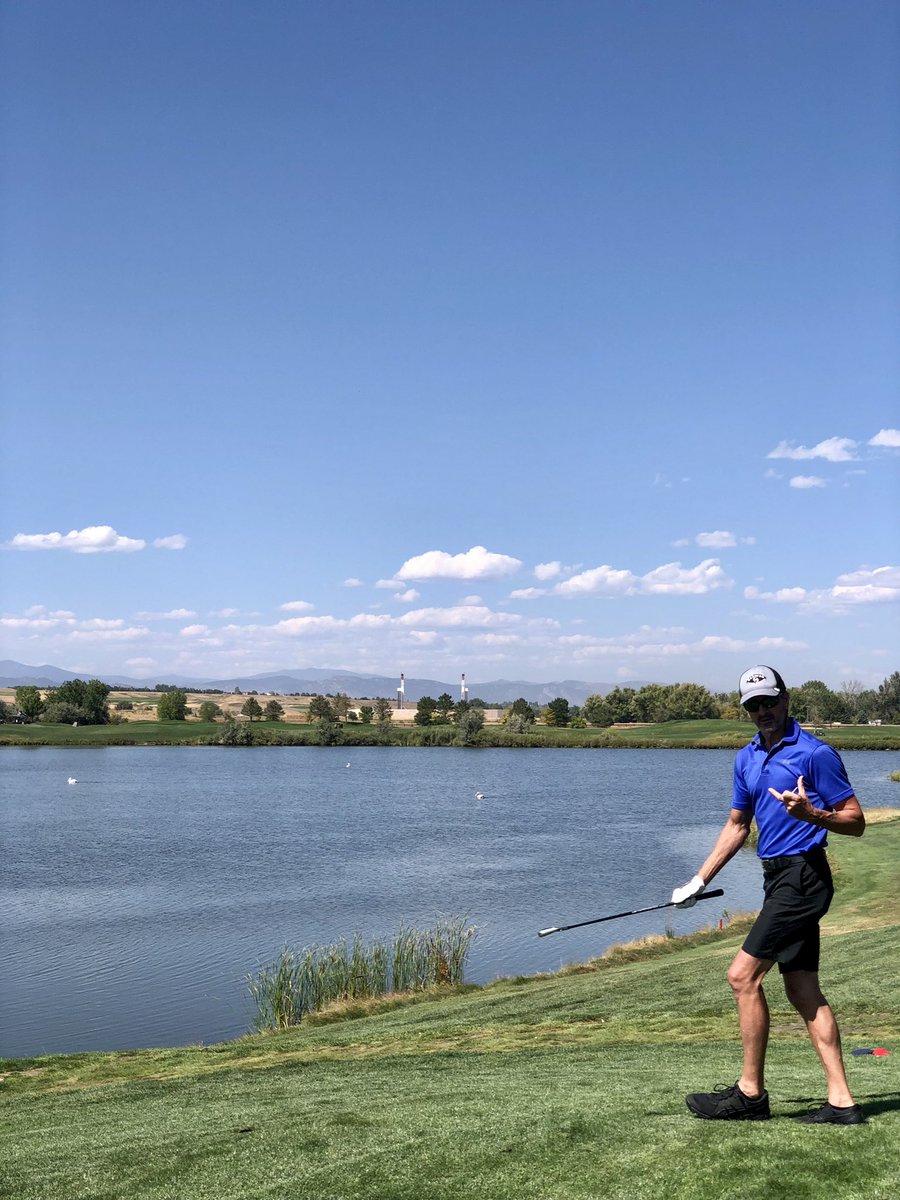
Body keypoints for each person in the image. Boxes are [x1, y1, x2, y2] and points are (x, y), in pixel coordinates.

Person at [671, 665, 866, 1125]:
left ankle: (750, 1094)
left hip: (804, 877)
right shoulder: (746, 758)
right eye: (752, 705)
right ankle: (843, 1103)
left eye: (769, 701)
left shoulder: (815, 754)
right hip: (776, 878)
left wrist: (813, 813)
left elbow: (855, 821)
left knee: (742, 976)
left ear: (786, 700)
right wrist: (698, 881)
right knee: (802, 989)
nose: (762, 711)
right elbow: (738, 826)